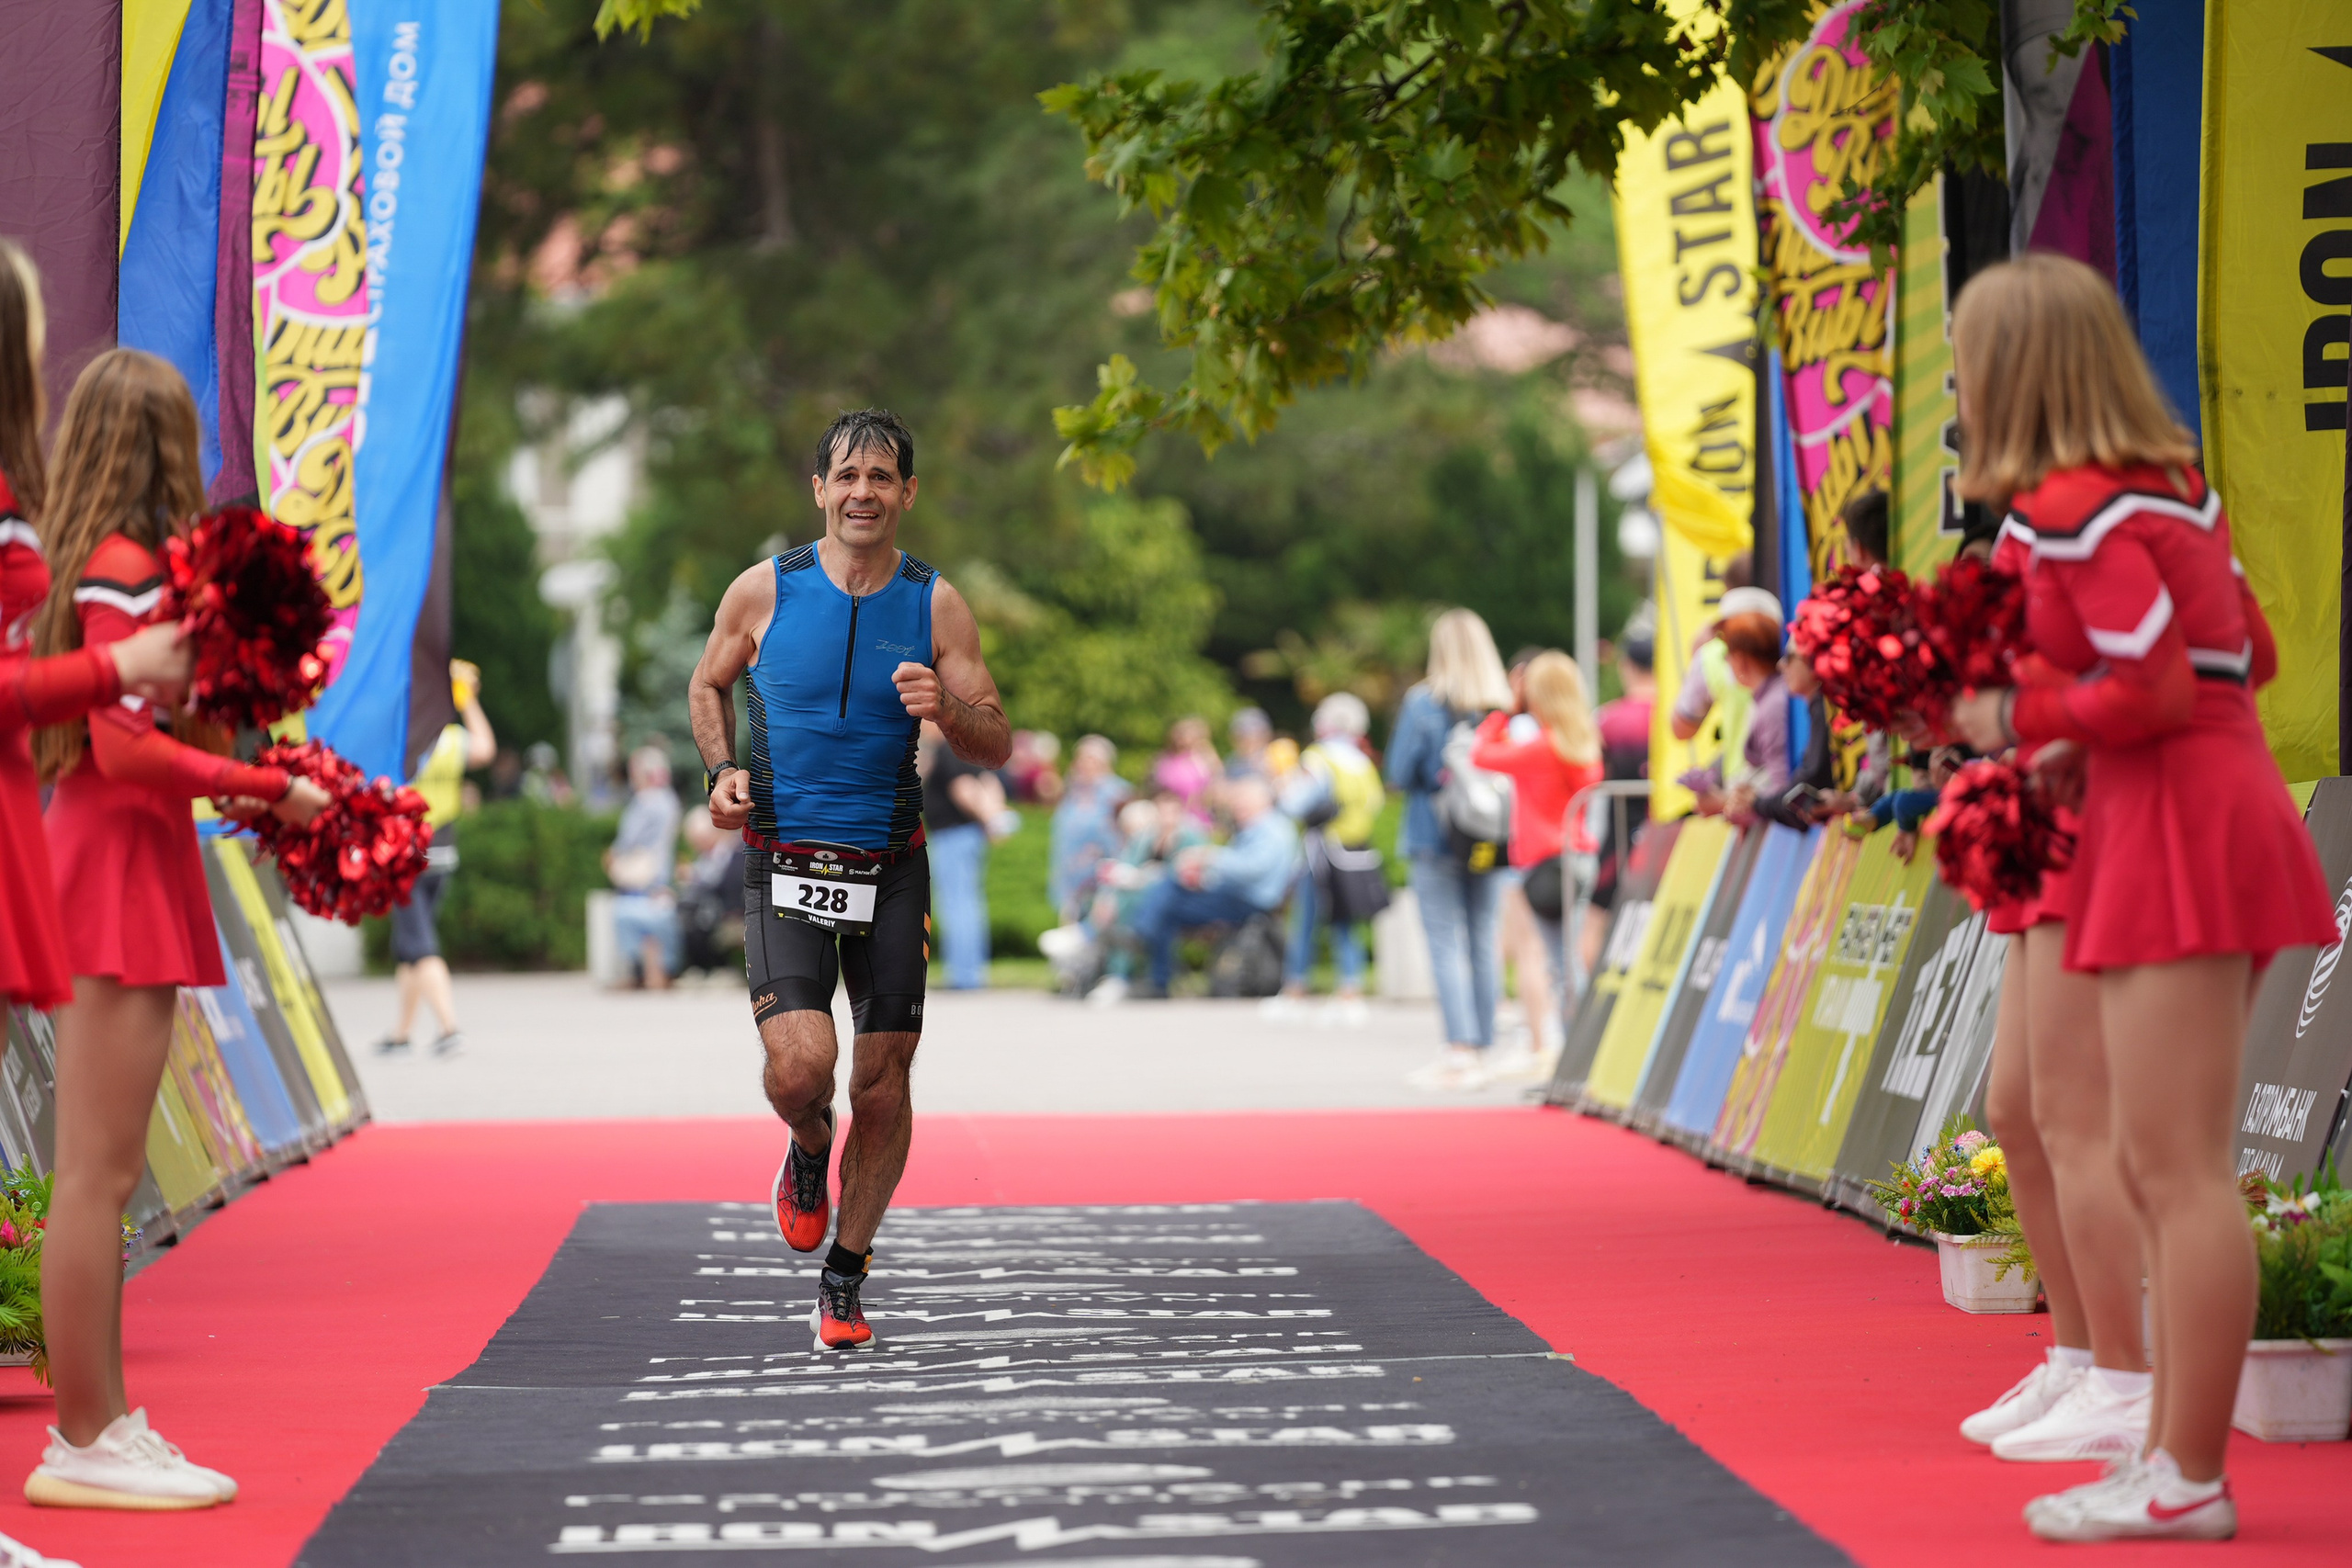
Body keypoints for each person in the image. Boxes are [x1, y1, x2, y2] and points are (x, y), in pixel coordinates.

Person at [1947, 254, 2336, 1541]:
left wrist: (2017, 711)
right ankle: (2169, 1455)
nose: (1957, 387)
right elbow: (2252, 652)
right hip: (2209, 804)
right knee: (2163, 1158)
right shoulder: (2175, 489)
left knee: (2171, 1166)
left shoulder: (2072, 504)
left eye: (1966, 363)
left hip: (2174, 814)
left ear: (2015, 371)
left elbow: (2160, 688)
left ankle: (2183, 1472)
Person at [29, 351, 328, 1510]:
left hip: (126, 858)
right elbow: (119, 747)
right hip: (111, 866)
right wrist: (257, 787)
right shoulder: (120, 569)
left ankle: (98, 1423)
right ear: (159, 440)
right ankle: (84, 1436)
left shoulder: (109, 569)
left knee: (100, 1177)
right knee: (96, 1179)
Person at [690, 408, 1008, 1354]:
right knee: (803, 1072)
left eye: (882, 477)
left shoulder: (936, 602)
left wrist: (945, 707)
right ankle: (805, 1145)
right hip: (783, 861)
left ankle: (846, 1270)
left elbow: (996, 740)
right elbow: (708, 684)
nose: (863, 491)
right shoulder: (763, 591)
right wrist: (720, 773)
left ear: (907, 492)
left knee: (884, 1080)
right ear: (819, 490)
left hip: (890, 870)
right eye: (847, 476)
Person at [1386, 607, 1514, 1088]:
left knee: (1445, 941)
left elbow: (1400, 772)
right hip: (1491, 834)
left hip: (1434, 833)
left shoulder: (1423, 704)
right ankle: (1483, 1043)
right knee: (1484, 935)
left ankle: (1458, 1047)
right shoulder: (1499, 704)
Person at [1471, 651, 1604, 1062]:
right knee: (1568, 961)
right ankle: (1578, 1052)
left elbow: (1481, 754)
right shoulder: (1582, 743)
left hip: (1544, 861)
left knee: (1559, 966)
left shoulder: (1542, 748)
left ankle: (1574, 1057)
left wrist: (1507, 711)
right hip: (1578, 855)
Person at [377, 660, 496, 1054]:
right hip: (442, 852)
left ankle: (449, 1029)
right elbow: (485, 749)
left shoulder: (400, 740)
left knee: (420, 944)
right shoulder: (447, 739)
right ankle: (401, 1034)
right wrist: (468, 703)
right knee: (409, 944)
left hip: (405, 854)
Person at [1122, 773, 1299, 999]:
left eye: (1240, 800)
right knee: (1169, 906)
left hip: (1250, 901)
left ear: (1258, 801)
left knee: (1170, 890)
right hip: (1237, 896)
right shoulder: (1258, 828)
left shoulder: (1272, 829)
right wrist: (1205, 876)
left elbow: (1253, 869)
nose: (1235, 806)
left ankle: (1140, 933)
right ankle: (1158, 978)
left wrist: (1208, 856)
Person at [1266, 693, 1385, 1025]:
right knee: (1346, 921)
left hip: (1321, 850)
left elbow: (1296, 803)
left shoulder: (1318, 757)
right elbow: (1375, 803)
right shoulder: (1362, 761)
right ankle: (1351, 990)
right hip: (1355, 849)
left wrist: (1281, 784)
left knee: (1304, 920)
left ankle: (1295, 990)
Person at [922, 719, 1006, 990]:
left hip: (953, 836)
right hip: (966, 836)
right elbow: (990, 782)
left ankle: (964, 975)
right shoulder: (966, 750)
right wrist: (995, 816)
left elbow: (965, 789)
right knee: (968, 902)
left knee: (957, 905)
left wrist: (989, 819)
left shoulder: (947, 750)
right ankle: (970, 972)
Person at [605, 744, 684, 990]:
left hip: (641, 876)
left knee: (631, 914)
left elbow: (627, 840)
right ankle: (657, 972)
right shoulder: (670, 800)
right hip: (659, 875)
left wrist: (613, 856)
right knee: (655, 918)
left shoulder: (646, 801)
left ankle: (643, 973)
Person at [1048, 735, 1128, 919]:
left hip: (1102, 880)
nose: (1083, 764)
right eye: (1080, 758)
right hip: (1071, 878)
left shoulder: (1117, 793)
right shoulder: (1073, 791)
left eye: (1089, 759)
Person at [1152, 715, 1221, 821]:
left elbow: (1215, 781)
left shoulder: (1204, 757)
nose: (1183, 739)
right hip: (1169, 809)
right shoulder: (1166, 759)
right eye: (1181, 735)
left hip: (1197, 812)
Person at [1225, 706, 1273, 780]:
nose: (1246, 742)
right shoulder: (1232, 760)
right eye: (1241, 737)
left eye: (1255, 735)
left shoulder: (1273, 759)